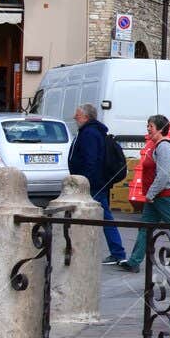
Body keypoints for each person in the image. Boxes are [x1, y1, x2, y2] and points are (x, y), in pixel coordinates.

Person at [119, 115, 170, 271]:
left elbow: (163, 175)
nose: (148, 128)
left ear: (160, 129)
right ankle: (134, 261)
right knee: (145, 228)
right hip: (156, 196)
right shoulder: (158, 145)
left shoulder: (164, 147)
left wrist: (150, 194)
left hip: (164, 195)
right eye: (148, 125)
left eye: (151, 126)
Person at [67, 103, 125, 265]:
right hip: (94, 182)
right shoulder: (90, 131)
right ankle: (116, 252)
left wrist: (85, 183)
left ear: (86, 117)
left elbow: (91, 160)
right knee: (101, 216)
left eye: (77, 115)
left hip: (92, 184)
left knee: (100, 216)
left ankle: (117, 252)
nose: (74, 117)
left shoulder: (89, 133)